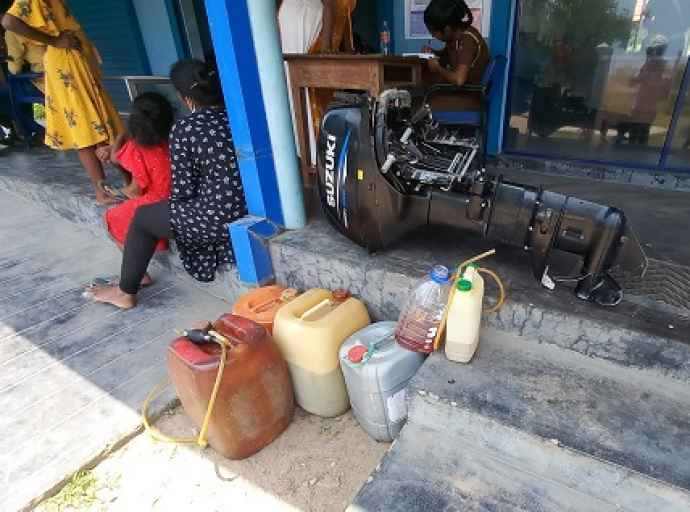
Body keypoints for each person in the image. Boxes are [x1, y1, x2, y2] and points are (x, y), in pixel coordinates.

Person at [85, 59, 247, 310]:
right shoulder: (239, 117)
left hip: (220, 216)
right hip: (251, 206)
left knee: (143, 217)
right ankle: (132, 280)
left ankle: (125, 292)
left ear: (187, 100)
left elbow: (182, 192)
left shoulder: (186, 128)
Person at [2, 0, 124, 204]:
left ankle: (118, 186)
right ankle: (102, 191)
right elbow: (9, 22)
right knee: (85, 128)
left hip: (73, 64)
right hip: (62, 68)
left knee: (98, 122)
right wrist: (54, 40)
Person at [91, 92, 174, 289]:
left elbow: (135, 191)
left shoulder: (137, 148)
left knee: (112, 217)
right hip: (180, 195)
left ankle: (138, 274)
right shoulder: (174, 136)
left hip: (158, 200)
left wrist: (118, 194)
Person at [278, 0, 357, 164]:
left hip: (297, 15)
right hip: (301, 15)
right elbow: (328, 6)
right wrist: (326, 48)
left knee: (295, 82)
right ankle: (312, 153)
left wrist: (336, 49)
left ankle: (308, 153)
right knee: (299, 84)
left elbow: (342, 19)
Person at [423, 0, 490, 111]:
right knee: (422, 87)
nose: (432, 35)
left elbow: (459, 80)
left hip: (468, 99)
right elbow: (446, 57)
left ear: (447, 29)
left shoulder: (467, 40)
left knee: (418, 102)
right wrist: (433, 52)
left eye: (433, 31)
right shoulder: (454, 38)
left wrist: (437, 68)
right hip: (459, 94)